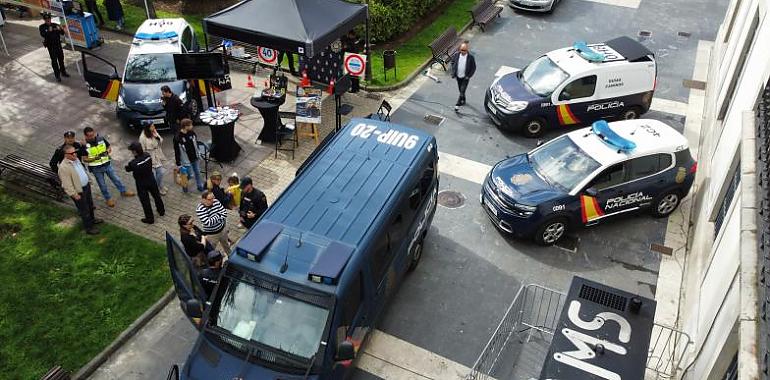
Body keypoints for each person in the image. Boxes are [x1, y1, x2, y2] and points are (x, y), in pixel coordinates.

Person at [81, 126, 135, 207]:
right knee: (102, 185)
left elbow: (109, 147)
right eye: (89, 136)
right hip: (96, 168)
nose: (92, 137)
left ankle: (123, 191)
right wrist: (95, 158)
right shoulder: (84, 145)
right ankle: (108, 199)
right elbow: (84, 159)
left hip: (107, 164)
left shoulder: (101, 139)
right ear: (85, 136)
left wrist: (107, 151)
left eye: (93, 134)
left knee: (116, 179)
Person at [58, 144, 102, 235]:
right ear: (65, 155)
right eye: (71, 153)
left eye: (75, 152)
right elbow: (67, 184)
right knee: (84, 209)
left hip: (86, 187)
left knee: (90, 205)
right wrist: (74, 194)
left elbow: (82, 170)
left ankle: (92, 220)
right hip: (78, 192)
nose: (74, 154)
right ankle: (89, 228)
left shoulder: (76, 160)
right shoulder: (63, 167)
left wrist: (88, 179)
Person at [125, 142, 165, 224]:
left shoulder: (133, 163)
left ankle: (150, 219)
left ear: (135, 151)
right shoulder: (147, 155)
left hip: (141, 183)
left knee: (145, 201)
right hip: (151, 178)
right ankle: (161, 211)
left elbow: (128, 169)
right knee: (156, 195)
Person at [173, 119, 205, 193]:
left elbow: (195, 143)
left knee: (197, 172)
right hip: (186, 161)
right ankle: (184, 184)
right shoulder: (178, 137)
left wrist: (198, 152)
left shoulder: (192, 133)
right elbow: (177, 151)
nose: (192, 126)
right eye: (190, 125)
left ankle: (200, 186)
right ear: (185, 126)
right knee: (190, 175)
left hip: (195, 158)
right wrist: (178, 163)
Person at [139, 123, 168, 195]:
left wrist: (156, 137)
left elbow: (161, 140)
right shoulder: (142, 137)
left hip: (157, 155)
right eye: (152, 126)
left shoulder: (154, 132)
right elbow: (142, 150)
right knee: (153, 176)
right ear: (148, 127)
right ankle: (155, 188)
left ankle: (159, 186)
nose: (154, 127)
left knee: (160, 173)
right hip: (149, 157)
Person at [39, 12, 69, 82]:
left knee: (61, 59)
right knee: (54, 61)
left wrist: (62, 29)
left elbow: (62, 33)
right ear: (44, 20)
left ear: (50, 18)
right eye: (46, 19)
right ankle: (57, 76)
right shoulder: (42, 27)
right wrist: (49, 31)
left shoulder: (55, 25)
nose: (48, 20)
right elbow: (43, 35)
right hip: (51, 46)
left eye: (49, 18)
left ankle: (63, 72)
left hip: (58, 45)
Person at [450, 41, 476, 110]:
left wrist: (468, 76)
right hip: (458, 76)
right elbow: (452, 62)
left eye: (464, 50)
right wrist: (453, 71)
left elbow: (473, 68)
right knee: (461, 90)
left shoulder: (471, 57)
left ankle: (457, 104)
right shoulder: (456, 55)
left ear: (467, 50)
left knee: (462, 90)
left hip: (465, 77)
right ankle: (463, 100)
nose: (463, 51)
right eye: (461, 50)